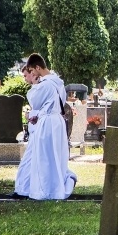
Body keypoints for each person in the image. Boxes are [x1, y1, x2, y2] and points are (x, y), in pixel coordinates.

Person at [25, 53, 77, 200]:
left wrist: (35, 85)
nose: (32, 74)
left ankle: (46, 190)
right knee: (56, 156)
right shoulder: (58, 82)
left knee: (44, 156)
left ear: (37, 67)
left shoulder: (45, 84)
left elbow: (35, 102)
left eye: (32, 71)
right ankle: (56, 188)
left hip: (47, 122)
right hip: (58, 121)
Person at [11, 66, 39, 200]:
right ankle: (23, 189)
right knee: (28, 162)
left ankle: (23, 190)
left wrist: (32, 115)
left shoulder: (40, 89)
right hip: (35, 130)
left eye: (26, 75)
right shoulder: (35, 89)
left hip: (39, 130)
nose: (25, 78)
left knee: (28, 162)